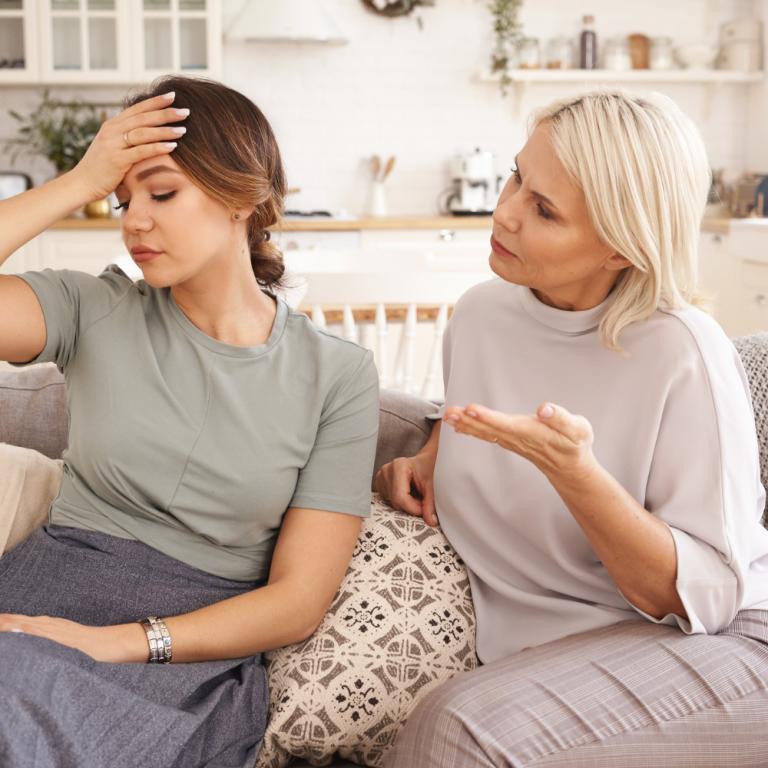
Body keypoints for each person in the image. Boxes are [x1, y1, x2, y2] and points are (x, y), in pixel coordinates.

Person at [376, 90, 768, 767]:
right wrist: (433, 447)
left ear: (620, 247)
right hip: (551, 652)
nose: (504, 212)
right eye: (517, 176)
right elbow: (479, 414)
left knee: (458, 730)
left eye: (544, 209)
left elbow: (698, 597)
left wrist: (575, 474)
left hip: (714, 644)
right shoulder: (480, 316)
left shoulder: (683, 353)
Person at [0, 76, 379, 767]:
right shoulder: (95, 309)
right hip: (41, 598)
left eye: (163, 193)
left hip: (184, 657)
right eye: (121, 199)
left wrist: (124, 641)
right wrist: (78, 180)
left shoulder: (338, 375)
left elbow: (298, 600)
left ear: (244, 195)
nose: (133, 220)